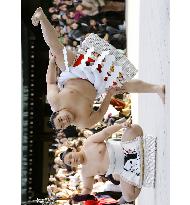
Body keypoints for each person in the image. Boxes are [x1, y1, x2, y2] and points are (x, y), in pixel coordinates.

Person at [31, 7, 165, 131]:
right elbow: (100, 113)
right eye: (63, 125)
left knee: (56, 49)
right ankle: (157, 88)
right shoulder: (83, 123)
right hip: (98, 84)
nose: (65, 121)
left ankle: (42, 17)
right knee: (126, 86)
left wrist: (51, 63)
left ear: (58, 112)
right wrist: (109, 95)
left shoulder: (55, 101)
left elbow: (51, 82)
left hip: (76, 72)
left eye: (60, 119)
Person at [61, 121, 144, 203]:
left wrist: (121, 125)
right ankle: (141, 175)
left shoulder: (88, 143)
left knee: (134, 128)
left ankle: (139, 158)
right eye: (70, 163)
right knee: (129, 197)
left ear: (73, 150)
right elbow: (88, 188)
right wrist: (80, 197)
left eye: (70, 156)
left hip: (126, 148)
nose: (73, 160)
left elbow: (105, 133)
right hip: (124, 171)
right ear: (73, 166)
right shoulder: (85, 172)